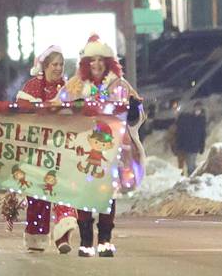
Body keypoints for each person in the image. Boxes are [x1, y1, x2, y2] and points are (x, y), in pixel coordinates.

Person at [60, 34, 146, 258]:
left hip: (111, 150)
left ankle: (105, 240)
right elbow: (59, 111)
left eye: (100, 59)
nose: (96, 64)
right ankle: (86, 240)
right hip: (82, 149)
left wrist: (134, 109)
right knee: (84, 193)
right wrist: (72, 108)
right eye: (92, 60)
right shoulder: (75, 86)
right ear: (86, 64)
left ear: (108, 62)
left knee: (107, 194)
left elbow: (135, 119)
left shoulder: (119, 85)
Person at [16, 46, 78, 254]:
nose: (58, 68)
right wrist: (47, 108)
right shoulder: (32, 87)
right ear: (45, 66)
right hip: (38, 149)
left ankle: (63, 236)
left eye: (61, 64)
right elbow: (23, 112)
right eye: (54, 64)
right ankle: (37, 236)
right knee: (38, 195)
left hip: (62, 149)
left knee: (63, 191)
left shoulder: (69, 88)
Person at [174, 101, 207, 175]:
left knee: (191, 166)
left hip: (194, 146)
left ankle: (192, 180)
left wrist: (202, 146)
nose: (197, 110)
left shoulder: (201, 120)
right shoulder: (189, 118)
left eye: (199, 108)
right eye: (196, 108)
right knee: (188, 165)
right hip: (187, 145)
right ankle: (192, 179)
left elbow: (202, 134)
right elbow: (182, 131)